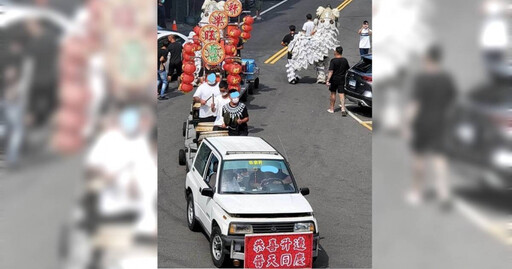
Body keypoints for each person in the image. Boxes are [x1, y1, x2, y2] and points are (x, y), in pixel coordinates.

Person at [406, 45, 456, 208]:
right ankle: (443, 193)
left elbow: (415, 104)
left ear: (427, 58)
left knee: (419, 159)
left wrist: (407, 123)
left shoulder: (422, 79)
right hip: (440, 123)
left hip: (422, 124)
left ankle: (416, 192)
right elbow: (452, 102)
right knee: (440, 159)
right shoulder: (446, 79)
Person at [326, 46, 350, 115]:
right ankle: (343, 108)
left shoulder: (333, 61)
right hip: (341, 79)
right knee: (341, 94)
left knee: (333, 93)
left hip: (334, 79)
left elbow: (331, 71)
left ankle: (332, 108)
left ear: (336, 52)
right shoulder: (344, 60)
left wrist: (328, 80)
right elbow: (347, 69)